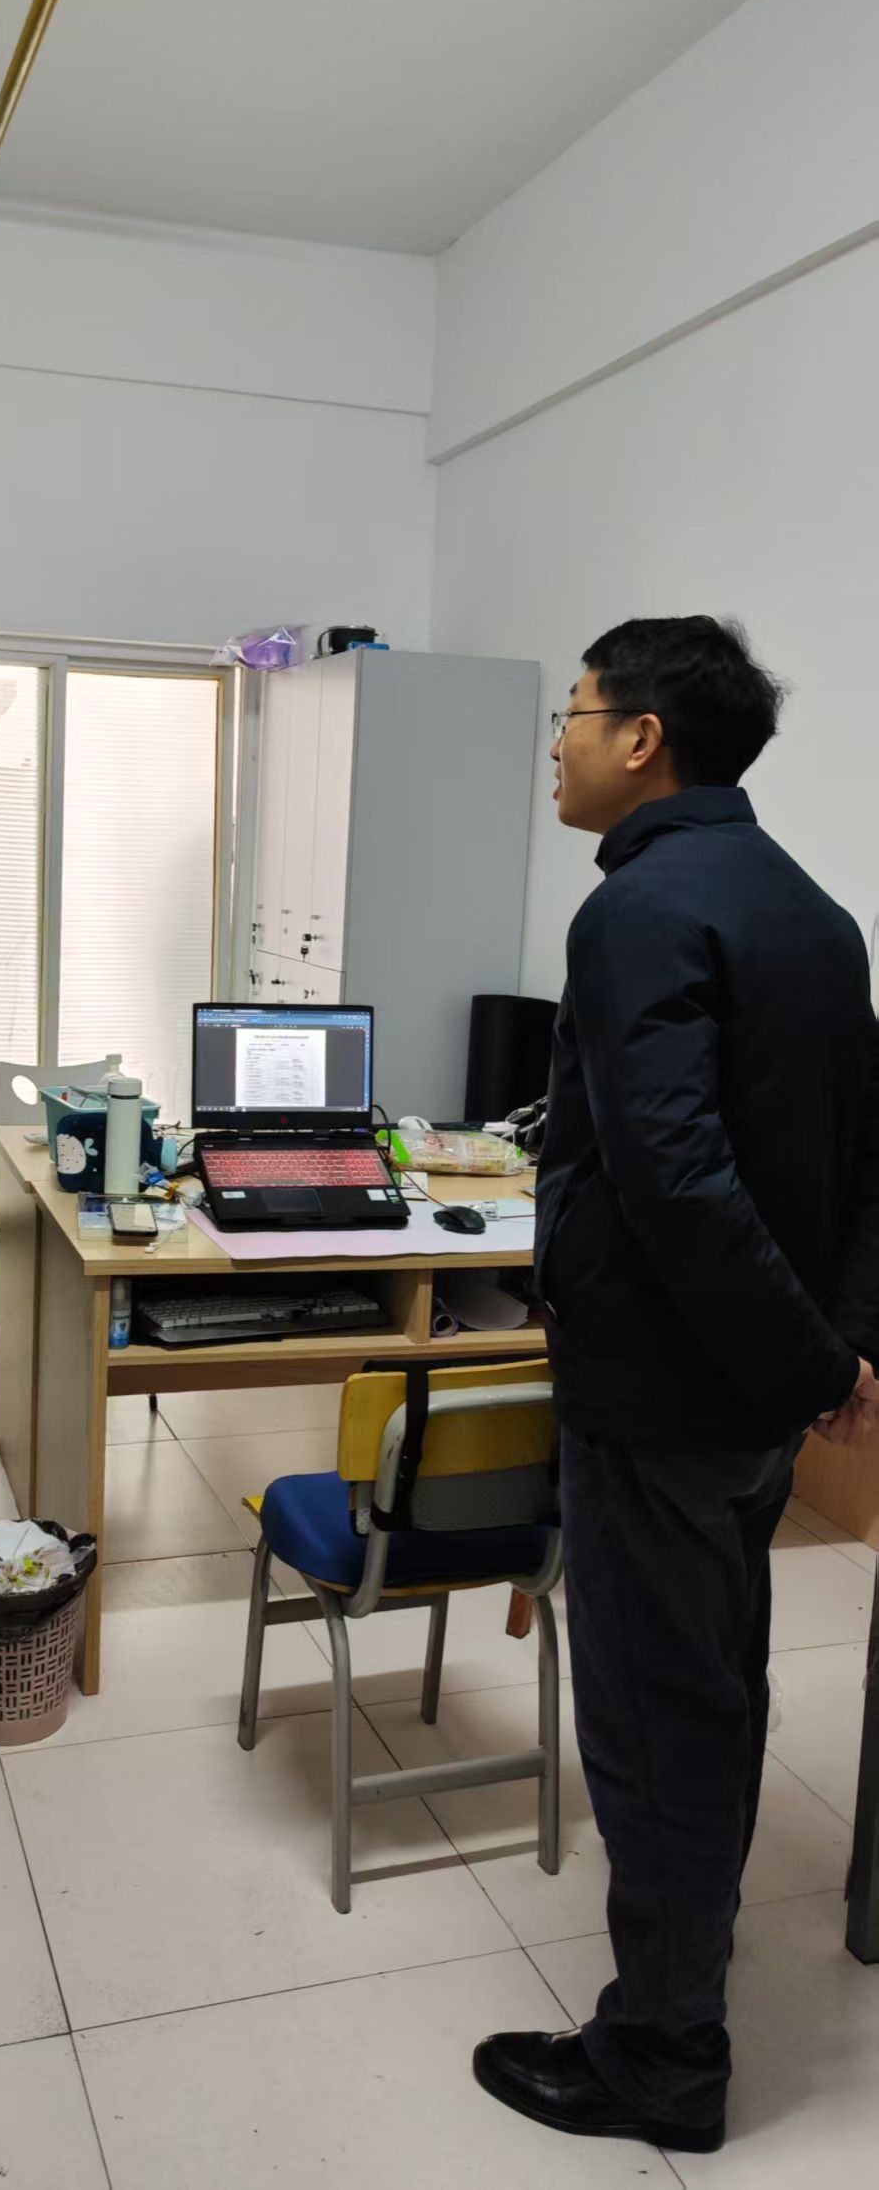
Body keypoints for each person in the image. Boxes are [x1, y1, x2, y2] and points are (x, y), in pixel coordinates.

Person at [474, 616, 879, 2153]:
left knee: (653, 1719)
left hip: (661, 1397)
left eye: (573, 715)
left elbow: (672, 1178)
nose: (557, 745)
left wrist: (806, 1358)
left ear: (641, 738)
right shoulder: (812, 911)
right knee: (713, 1685)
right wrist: (833, 1358)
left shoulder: (638, 910)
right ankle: (683, 1978)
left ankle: (661, 2056)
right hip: (755, 1402)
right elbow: (863, 1162)